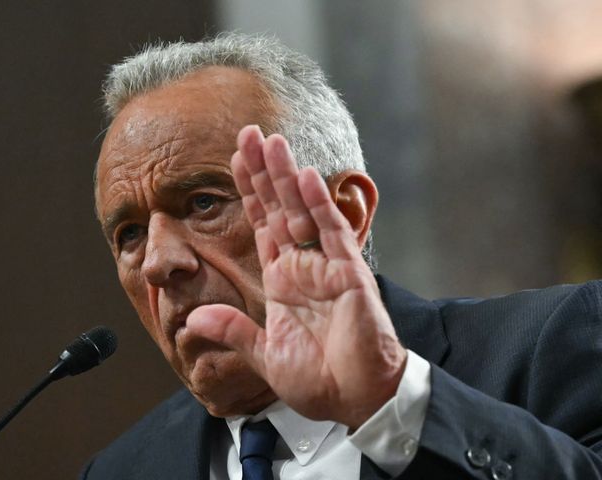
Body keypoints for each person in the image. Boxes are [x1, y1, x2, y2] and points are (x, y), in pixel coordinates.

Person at [81, 33, 602, 479]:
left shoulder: (549, 348)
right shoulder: (120, 470)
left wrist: (393, 404)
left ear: (346, 214)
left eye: (203, 203)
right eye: (129, 234)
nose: (157, 262)